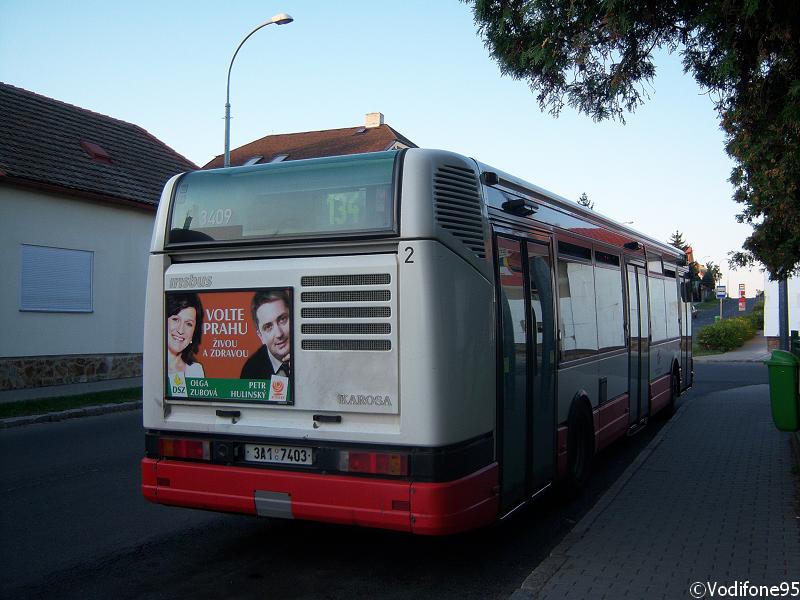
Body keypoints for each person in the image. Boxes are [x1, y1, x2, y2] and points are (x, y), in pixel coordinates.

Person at [240, 290, 291, 379]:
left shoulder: (311, 353)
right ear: (261, 336)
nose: (279, 334)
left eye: (282, 319)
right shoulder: (251, 370)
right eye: (268, 327)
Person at [166, 293, 205, 378]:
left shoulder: (195, 371)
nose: (180, 330)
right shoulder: (151, 365)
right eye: (175, 319)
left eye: (188, 324)